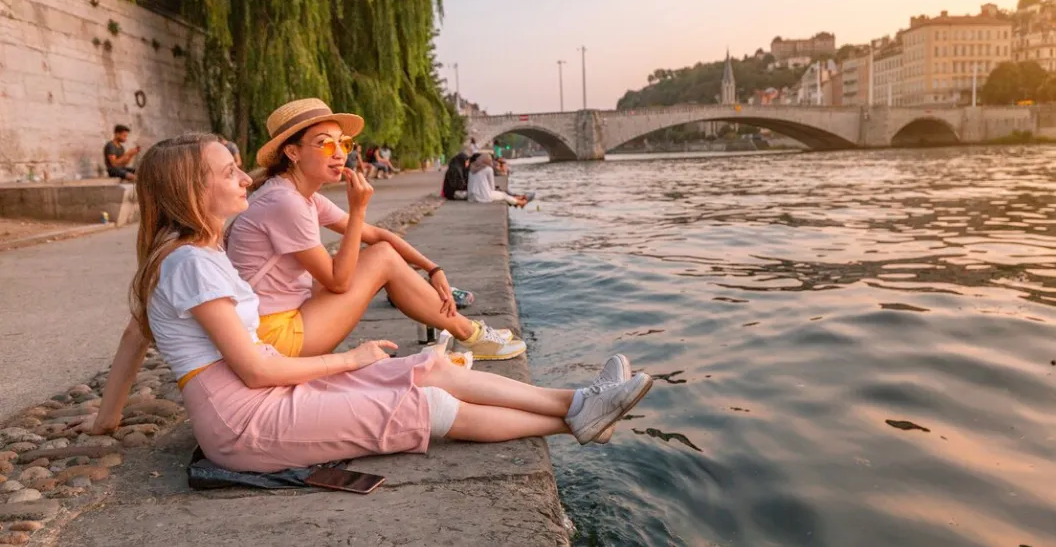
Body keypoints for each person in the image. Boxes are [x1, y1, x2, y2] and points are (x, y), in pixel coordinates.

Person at [79, 132, 653, 472]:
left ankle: (579, 400)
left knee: (427, 366)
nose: (244, 181)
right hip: (245, 424)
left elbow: (136, 335)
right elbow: (254, 370)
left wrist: (107, 421)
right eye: (229, 173)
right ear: (190, 190)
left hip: (264, 398)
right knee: (423, 407)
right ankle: (573, 421)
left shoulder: (188, 256)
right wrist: (350, 361)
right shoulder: (190, 263)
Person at [226, 98, 526, 362]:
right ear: (292, 152)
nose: (339, 153)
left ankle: (465, 329)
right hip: (273, 339)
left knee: (381, 254)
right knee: (380, 259)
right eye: (324, 143)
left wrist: (433, 268)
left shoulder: (299, 195)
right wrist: (358, 209)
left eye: (342, 143)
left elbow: (379, 235)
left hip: (279, 320)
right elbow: (339, 282)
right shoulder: (285, 201)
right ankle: (468, 332)